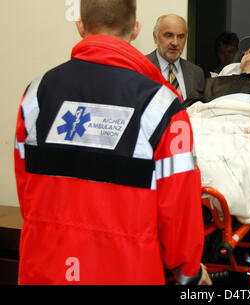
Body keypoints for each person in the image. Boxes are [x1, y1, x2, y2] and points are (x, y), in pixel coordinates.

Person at [14, 0, 211, 285]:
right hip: (127, 269)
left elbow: (26, 186)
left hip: (45, 266)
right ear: (135, 30)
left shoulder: (35, 93)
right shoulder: (162, 105)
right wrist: (188, 271)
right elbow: (179, 203)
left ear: (80, 26)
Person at [147, 14, 205, 100]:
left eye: (181, 36)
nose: (175, 43)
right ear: (155, 37)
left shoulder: (196, 73)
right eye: (168, 35)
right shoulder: (140, 68)